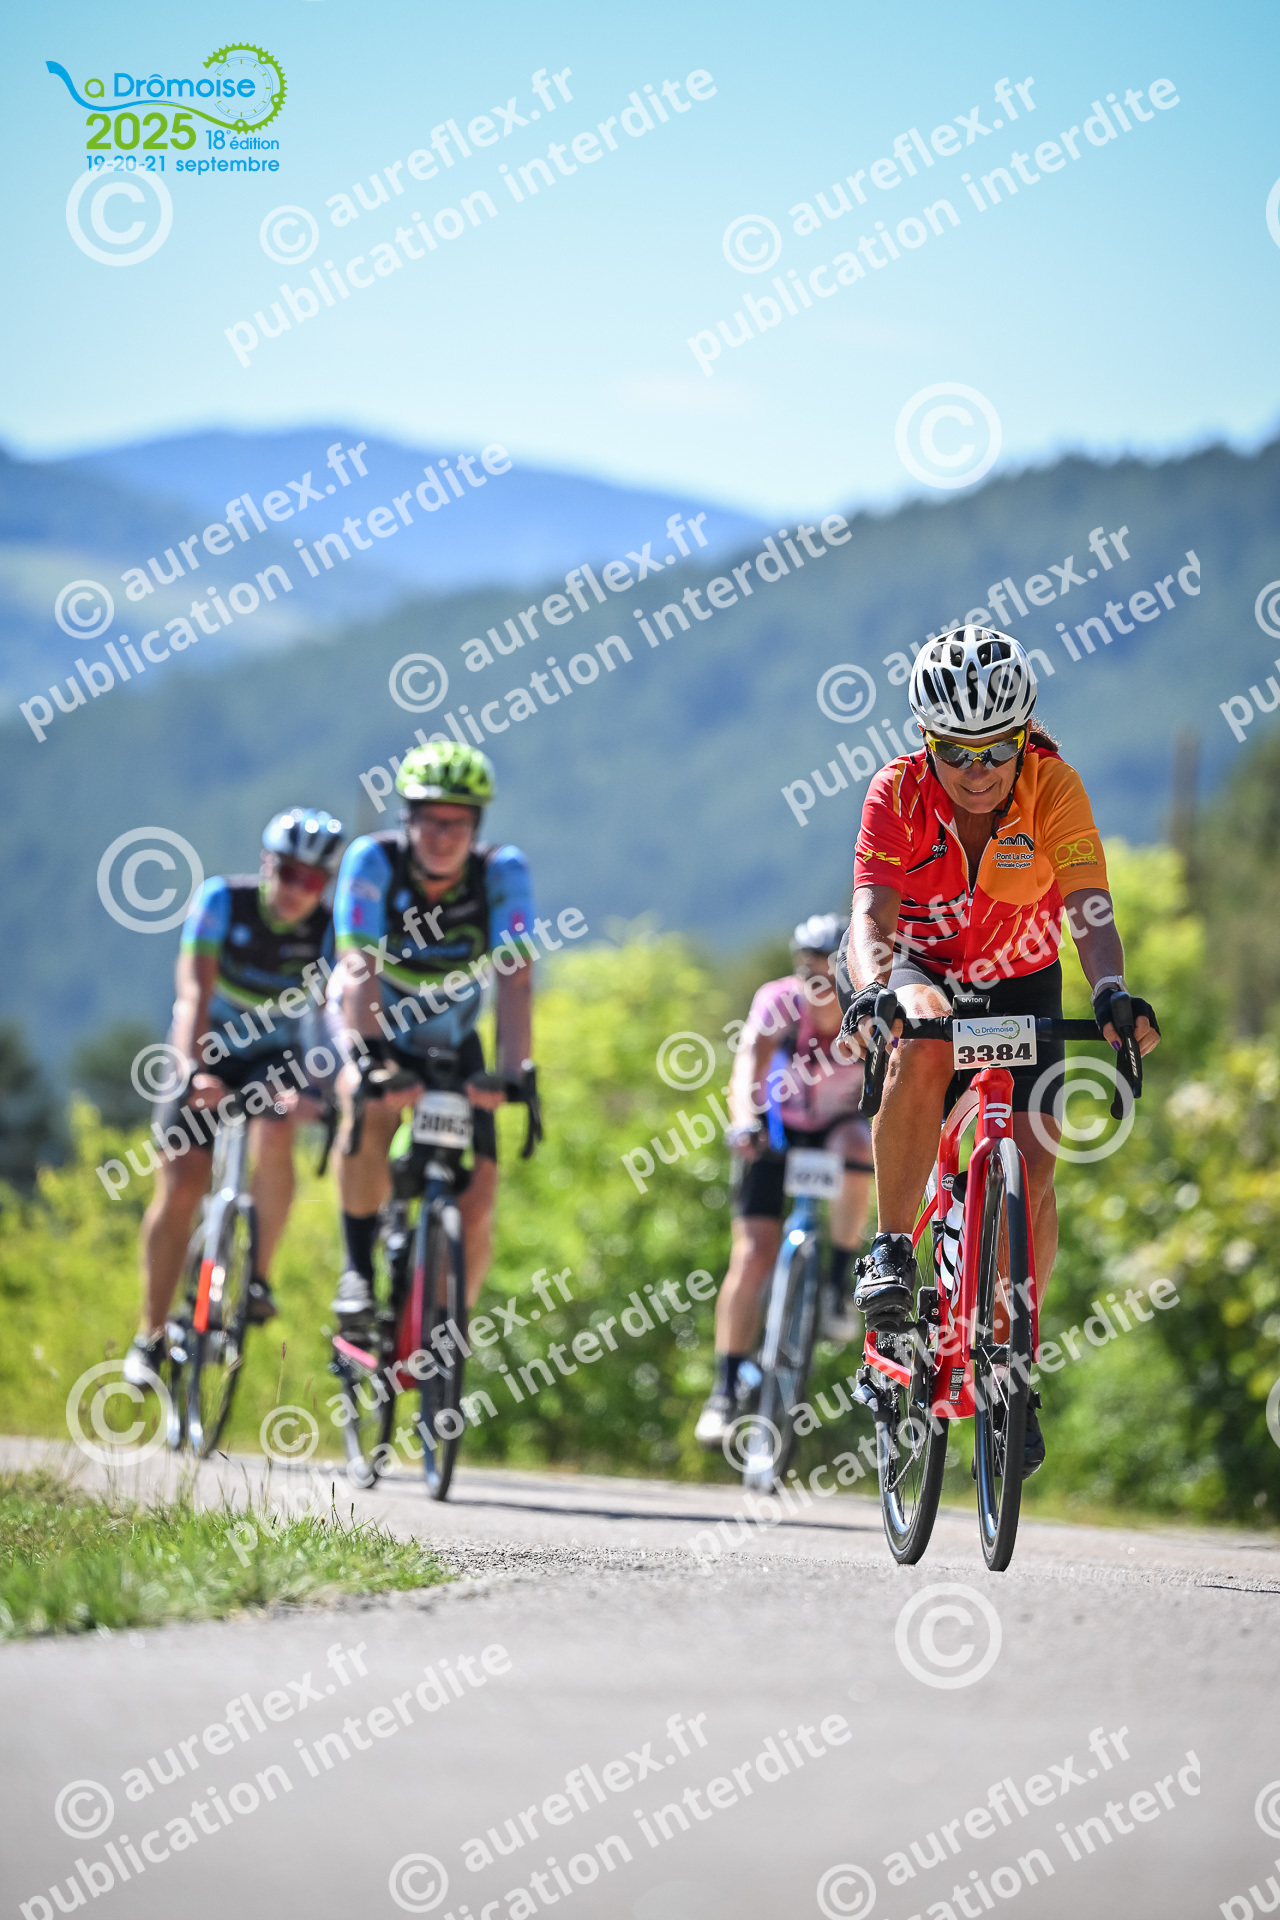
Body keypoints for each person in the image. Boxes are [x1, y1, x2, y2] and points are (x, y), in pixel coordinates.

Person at [840, 626, 1160, 1475]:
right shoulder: (896, 792)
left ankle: (1010, 1361)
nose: (977, 769)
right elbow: (869, 917)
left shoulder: (1055, 786)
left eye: (996, 750)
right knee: (924, 1039)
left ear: (1023, 738)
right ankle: (893, 1251)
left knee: (1036, 1174)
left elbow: (1089, 908)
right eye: (955, 751)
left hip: (1022, 977)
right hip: (916, 965)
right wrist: (873, 989)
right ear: (926, 740)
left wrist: (1111, 991)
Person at [123, 808, 344, 1387]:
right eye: (290, 873)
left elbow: (329, 1017)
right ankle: (150, 1335)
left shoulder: (328, 930)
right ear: (267, 864)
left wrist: (319, 1091)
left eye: (314, 881)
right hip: (207, 1045)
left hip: (274, 1055)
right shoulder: (221, 902)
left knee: (279, 1125)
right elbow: (194, 994)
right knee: (182, 1183)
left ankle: (258, 1278)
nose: (299, 890)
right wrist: (193, 1073)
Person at [328, 741, 534, 1329]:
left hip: (455, 1038)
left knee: (481, 1194)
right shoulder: (373, 862)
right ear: (407, 819)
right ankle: (357, 1270)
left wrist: (514, 1073)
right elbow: (358, 966)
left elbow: (516, 978)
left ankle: (445, 1340)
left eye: (458, 823)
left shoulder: (502, 873)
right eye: (430, 821)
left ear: (477, 826)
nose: (443, 836)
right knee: (365, 1106)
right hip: (377, 1024)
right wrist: (373, 1061)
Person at [694, 914, 874, 1448]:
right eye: (807, 969)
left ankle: (837, 1281)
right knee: (752, 1256)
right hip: (775, 1131)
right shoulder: (778, 1001)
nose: (816, 981)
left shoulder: (867, 1011)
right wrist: (744, 1122)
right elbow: (747, 1065)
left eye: (829, 970)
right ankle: (724, 1390)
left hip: (838, 1130)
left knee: (859, 1148)